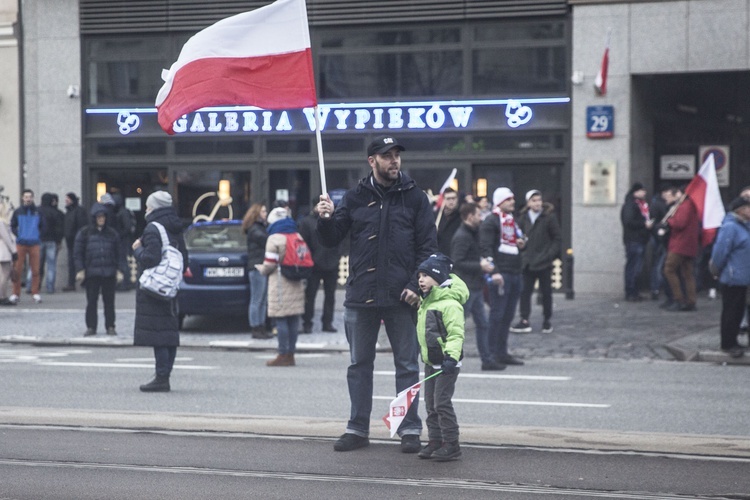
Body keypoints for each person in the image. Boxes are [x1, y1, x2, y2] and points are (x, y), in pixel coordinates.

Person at [317, 135, 437, 454]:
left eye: (397, 155)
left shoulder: (415, 198)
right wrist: (325, 218)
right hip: (361, 295)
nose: (394, 161)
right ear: (372, 161)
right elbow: (332, 239)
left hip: (402, 297)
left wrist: (416, 283)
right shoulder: (355, 197)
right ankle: (357, 428)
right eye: (387, 156)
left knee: (408, 365)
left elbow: (428, 247)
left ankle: (408, 428)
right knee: (359, 364)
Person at [414, 253, 468, 462]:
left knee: (441, 403)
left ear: (438, 277)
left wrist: (451, 358)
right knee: (430, 403)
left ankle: (452, 443)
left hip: (447, 363)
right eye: (419, 275)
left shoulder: (450, 304)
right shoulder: (426, 301)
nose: (421, 280)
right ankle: (435, 440)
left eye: (426, 275)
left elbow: (456, 334)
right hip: (430, 361)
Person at [133, 191, 187, 393]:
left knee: (158, 334)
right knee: (169, 333)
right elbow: (184, 257)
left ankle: (161, 378)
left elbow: (150, 258)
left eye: (148, 206)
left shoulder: (152, 228)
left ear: (154, 207)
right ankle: (165, 374)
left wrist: (137, 249)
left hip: (154, 290)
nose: (146, 209)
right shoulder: (175, 227)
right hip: (170, 287)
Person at [450, 202, 503, 370]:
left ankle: (486, 360)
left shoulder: (473, 233)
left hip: (475, 286)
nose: (481, 218)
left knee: (482, 324)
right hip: (465, 288)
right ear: (470, 216)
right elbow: (457, 262)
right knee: (458, 326)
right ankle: (450, 358)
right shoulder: (462, 236)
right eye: (478, 214)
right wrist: (479, 266)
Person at [479, 187, 526, 367]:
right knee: (497, 315)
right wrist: (494, 271)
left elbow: (520, 241)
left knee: (508, 315)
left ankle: (502, 351)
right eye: (508, 199)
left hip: (514, 272)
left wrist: (522, 243)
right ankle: (491, 353)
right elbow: (486, 247)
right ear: (499, 202)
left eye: (512, 199)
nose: (512, 202)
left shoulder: (511, 222)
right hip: (501, 274)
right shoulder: (491, 221)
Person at [256, 207, 305, 366]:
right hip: (296, 281)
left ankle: (282, 354)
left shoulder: (274, 238)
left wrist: (261, 269)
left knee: (281, 319)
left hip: (279, 283)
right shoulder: (296, 234)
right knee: (293, 319)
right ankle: (291, 353)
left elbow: (269, 264)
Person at [510, 189, 561, 334]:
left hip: (544, 261)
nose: (537, 203)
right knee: (525, 292)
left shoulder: (548, 217)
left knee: (546, 292)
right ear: (528, 203)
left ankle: (547, 320)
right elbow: (518, 237)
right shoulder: (523, 218)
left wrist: (549, 254)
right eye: (534, 200)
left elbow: (557, 238)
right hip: (528, 262)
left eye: (539, 200)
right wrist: (522, 249)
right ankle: (524, 319)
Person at [710, 197, 750, 358]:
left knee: (739, 311)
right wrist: (717, 270)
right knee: (731, 312)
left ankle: (733, 341)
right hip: (733, 277)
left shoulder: (744, 226)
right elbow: (720, 252)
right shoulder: (731, 227)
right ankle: (728, 343)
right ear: (740, 210)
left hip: (744, 276)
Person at [74, 203, 121, 336]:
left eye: (103, 217)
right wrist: (80, 269)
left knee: (109, 302)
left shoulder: (112, 234)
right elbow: (78, 253)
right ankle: (91, 326)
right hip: (92, 272)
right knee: (91, 302)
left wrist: (119, 269)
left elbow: (119, 253)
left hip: (108, 272)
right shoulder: (85, 233)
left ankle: (110, 326)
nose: (101, 219)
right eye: (99, 217)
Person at [299, 204, 342, 333]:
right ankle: (307, 322)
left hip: (331, 262)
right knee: (310, 294)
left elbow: (341, 238)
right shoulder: (307, 222)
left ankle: (327, 322)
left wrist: (337, 255)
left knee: (330, 295)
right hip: (313, 264)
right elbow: (303, 243)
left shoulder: (334, 220)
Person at [663, 186, 701, 312]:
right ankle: (691, 300)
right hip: (688, 244)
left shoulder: (685, 205)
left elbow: (680, 223)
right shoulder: (690, 205)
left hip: (680, 244)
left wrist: (670, 220)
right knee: (687, 273)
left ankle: (678, 299)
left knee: (669, 269)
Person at [241, 203, 272, 339]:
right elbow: (267, 241)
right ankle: (256, 327)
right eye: (264, 211)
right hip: (257, 267)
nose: (266, 213)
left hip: (259, 266)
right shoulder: (255, 229)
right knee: (257, 299)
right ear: (257, 213)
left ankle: (261, 326)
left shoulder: (258, 228)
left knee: (262, 299)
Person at [620, 182, 653, 302]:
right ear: (636, 192)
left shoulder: (640, 204)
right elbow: (629, 222)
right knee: (634, 267)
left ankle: (634, 291)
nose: (644, 192)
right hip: (634, 239)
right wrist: (644, 224)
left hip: (639, 239)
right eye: (642, 190)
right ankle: (631, 291)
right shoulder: (631, 205)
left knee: (636, 266)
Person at [9, 189, 43, 304]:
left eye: (30, 197)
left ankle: (35, 293)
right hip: (21, 243)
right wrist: (19, 235)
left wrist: (38, 235)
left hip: (34, 243)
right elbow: (12, 225)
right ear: (22, 198)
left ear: (32, 198)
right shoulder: (18, 211)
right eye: (26, 197)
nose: (28, 199)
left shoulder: (38, 211)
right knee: (17, 270)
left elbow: (43, 225)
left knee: (36, 270)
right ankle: (15, 293)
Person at [36, 193, 65, 294]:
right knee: (51, 266)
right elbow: (59, 229)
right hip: (52, 241)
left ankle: (33, 285)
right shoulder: (56, 212)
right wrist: (59, 240)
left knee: (36, 265)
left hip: (39, 240)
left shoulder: (37, 211)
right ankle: (50, 287)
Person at [63, 192, 88, 292]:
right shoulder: (69, 211)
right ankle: (71, 283)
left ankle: (83, 281)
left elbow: (81, 226)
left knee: (79, 261)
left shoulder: (79, 211)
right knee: (72, 262)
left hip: (77, 241)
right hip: (70, 241)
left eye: (67, 199)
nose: (66, 201)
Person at [111, 192, 136, 290]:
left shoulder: (122, 212)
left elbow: (127, 227)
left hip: (123, 240)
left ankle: (126, 283)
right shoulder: (122, 211)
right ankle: (126, 282)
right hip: (123, 239)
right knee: (123, 261)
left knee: (123, 261)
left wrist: (119, 235)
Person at [0, 197, 17, 306]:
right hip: (3, 250)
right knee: (5, 275)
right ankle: (2, 296)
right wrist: (14, 250)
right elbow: (7, 238)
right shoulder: (1, 222)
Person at [436, 187, 461, 256]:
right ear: (444, 200)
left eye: (453, 198)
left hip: (456, 254)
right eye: (448, 199)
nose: (451, 201)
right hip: (441, 254)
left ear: (457, 199)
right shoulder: (437, 216)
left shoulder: (462, 215)